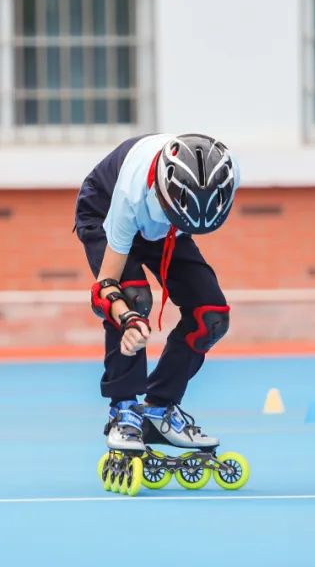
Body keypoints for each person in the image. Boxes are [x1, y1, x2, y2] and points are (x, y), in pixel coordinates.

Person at [74, 133, 240, 454]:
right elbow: (104, 288)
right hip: (105, 209)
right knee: (134, 298)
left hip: (169, 222)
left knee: (211, 317)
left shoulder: (222, 177)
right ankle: (123, 409)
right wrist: (129, 318)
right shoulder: (130, 197)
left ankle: (159, 408)